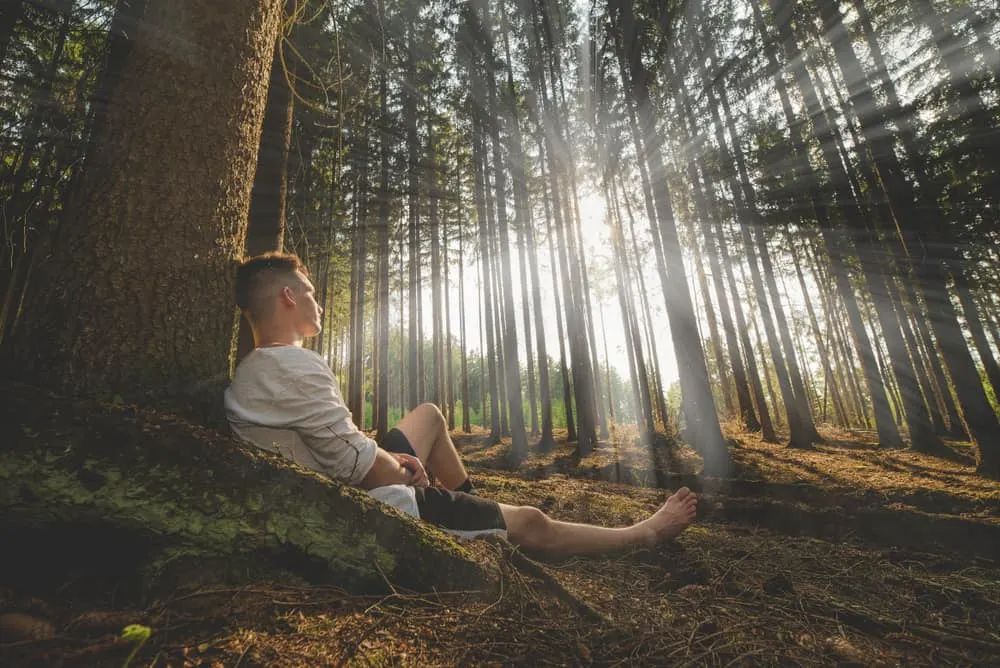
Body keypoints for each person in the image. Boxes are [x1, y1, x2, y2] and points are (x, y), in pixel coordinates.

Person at [225, 252, 697, 557]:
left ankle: (475, 504)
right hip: (366, 505)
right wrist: (402, 469)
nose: (319, 303)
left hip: (332, 480)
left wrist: (391, 456)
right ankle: (644, 534)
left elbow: (333, 445)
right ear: (288, 296)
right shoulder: (296, 366)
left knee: (429, 415)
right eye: (310, 293)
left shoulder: (259, 367)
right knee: (533, 522)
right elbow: (365, 471)